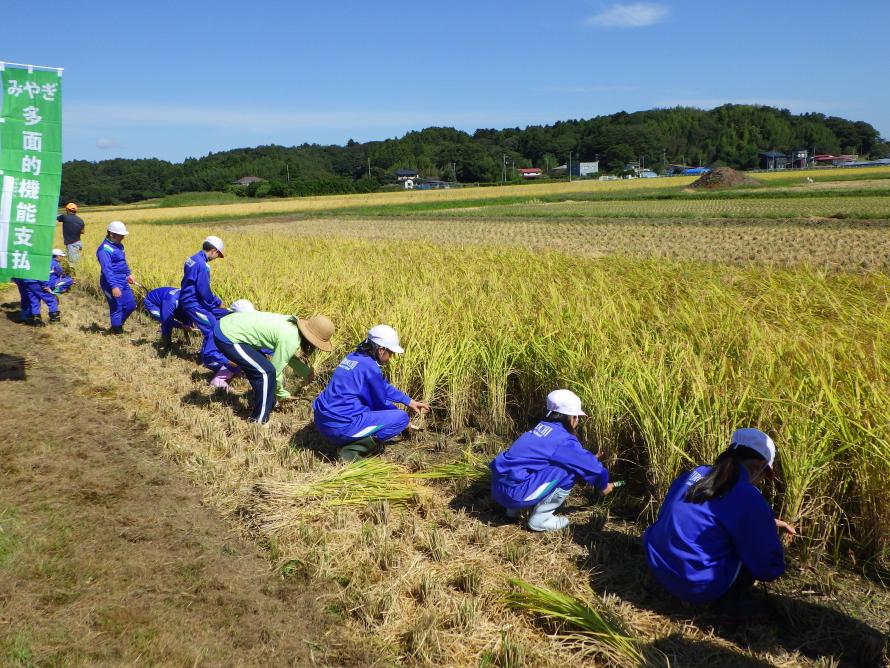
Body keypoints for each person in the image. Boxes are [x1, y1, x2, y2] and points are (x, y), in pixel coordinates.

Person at [643, 428, 795, 608]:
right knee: (746, 553)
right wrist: (770, 542)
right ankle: (714, 605)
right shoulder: (748, 496)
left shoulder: (695, 473)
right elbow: (767, 569)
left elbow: (702, 513)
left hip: (657, 564)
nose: (761, 480)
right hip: (696, 586)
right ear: (758, 465)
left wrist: (766, 522)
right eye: (765, 474)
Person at [489, 389, 613, 532]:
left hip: (498, 489)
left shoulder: (540, 428)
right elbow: (596, 469)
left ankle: (512, 512)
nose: (577, 421)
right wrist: (603, 485)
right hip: (515, 495)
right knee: (570, 470)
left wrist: (585, 460)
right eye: (577, 417)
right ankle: (541, 519)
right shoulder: (563, 440)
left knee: (532, 466)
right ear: (572, 417)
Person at [313, 324, 430, 461]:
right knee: (401, 418)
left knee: (366, 407)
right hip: (339, 428)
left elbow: (382, 385)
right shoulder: (371, 368)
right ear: (381, 350)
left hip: (321, 421)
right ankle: (351, 450)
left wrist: (409, 401)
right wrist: (402, 422)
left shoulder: (353, 357)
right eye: (391, 353)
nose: (391, 357)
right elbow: (380, 403)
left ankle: (345, 437)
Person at [213, 311, 334, 424]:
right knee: (266, 373)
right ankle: (259, 421)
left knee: (262, 369)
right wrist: (282, 394)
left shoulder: (293, 328)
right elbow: (276, 371)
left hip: (230, 324)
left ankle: (269, 401)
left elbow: (287, 356)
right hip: (228, 335)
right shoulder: (291, 339)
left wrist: (306, 372)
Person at [179, 235, 231, 386]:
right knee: (212, 328)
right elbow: (203, 290)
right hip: (193, 303)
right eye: (218, 255)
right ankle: (211, 359)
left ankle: (215, 351)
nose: (216, 258)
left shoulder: (192, 258)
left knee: (224, 316)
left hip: (194, 300)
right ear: (213, 250)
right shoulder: (202, 265)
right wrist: (217, 302)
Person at [96, 221, 136, 334]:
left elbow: (122, 262)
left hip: (123, 280)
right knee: (116, 306)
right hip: (110, 282)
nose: (123, 237)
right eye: (120, 235)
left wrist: (129, 274)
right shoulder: (104, 250)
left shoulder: (119, 246)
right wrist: (114, 286)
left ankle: (116, 326)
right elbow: (107, 270)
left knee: (131, 305)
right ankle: (117, 332)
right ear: (111, 234)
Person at [56, 202, 85, 269]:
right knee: (76, 261)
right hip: (78, 243)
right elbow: (82, 231)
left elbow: (56, 217)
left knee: (72, 264)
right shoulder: (81, 220)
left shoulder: (64, 217)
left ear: (67, 209)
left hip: (71, 244)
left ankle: (73, 275)